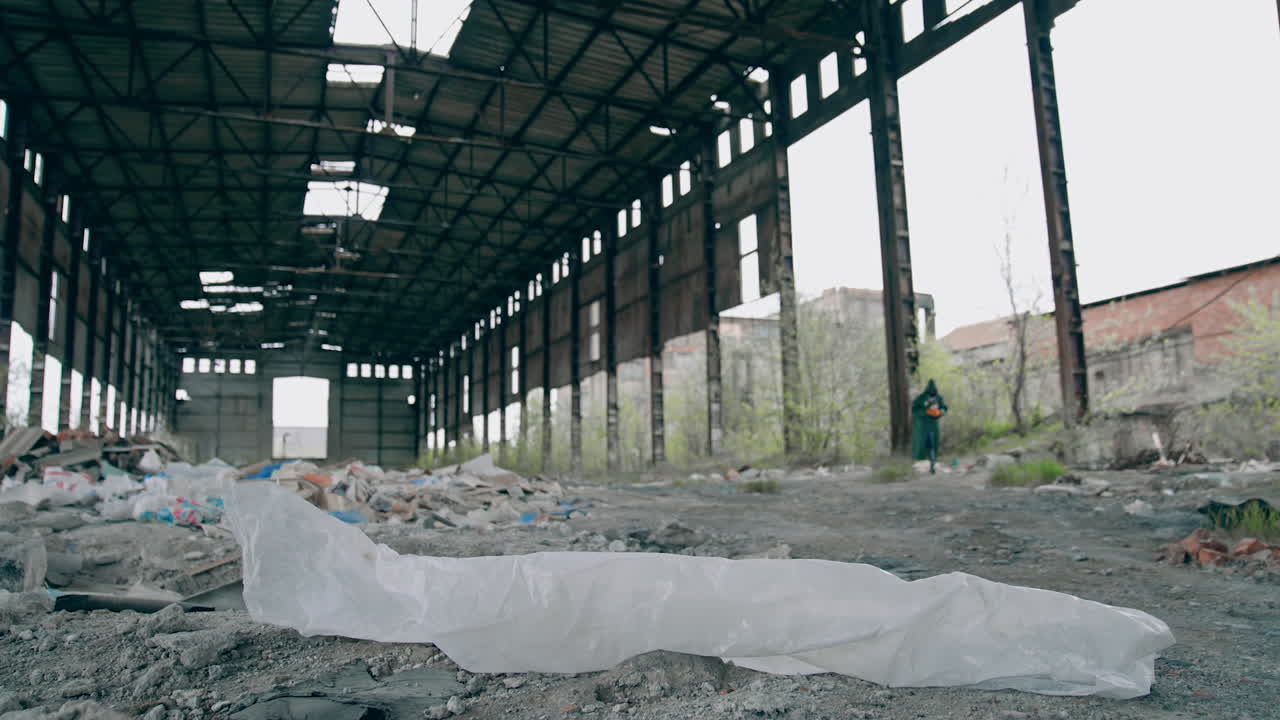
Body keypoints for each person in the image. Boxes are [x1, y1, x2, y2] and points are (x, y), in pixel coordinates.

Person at [911, 379, 948, 474]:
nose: (932, 395)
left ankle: (932, 465)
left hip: (933, 426)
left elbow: (943, 407)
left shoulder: (938, 398)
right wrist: (925, 412)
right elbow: (914, 410)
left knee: (932, 445)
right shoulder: (921, 398)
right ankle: (920, 464)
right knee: (922, 445)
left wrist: (941, 411)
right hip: (922, 427)